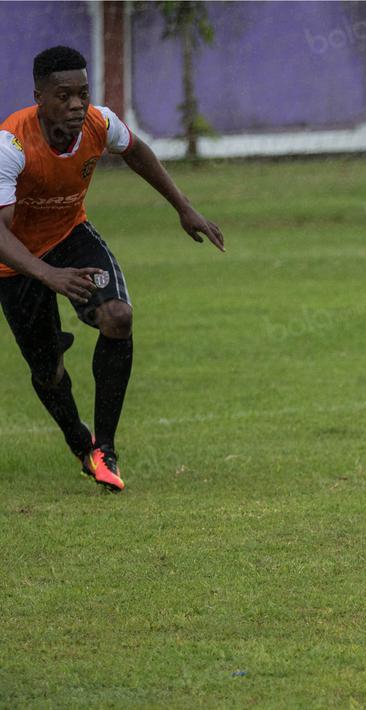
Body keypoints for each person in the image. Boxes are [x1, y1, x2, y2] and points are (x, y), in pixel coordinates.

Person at [0, 46, 225, 492]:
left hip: (71, 237)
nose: (76, 104)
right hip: (16, 262)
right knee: (47, 370)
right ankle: (81, 444)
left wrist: (184, 207)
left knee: (118, 317)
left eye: (82, 93)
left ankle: (105, 448)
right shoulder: (11, 144)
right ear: (39, 97)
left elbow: (137, 152)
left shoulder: (99, 124)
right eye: (64, 96)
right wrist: (46, 275)